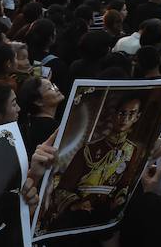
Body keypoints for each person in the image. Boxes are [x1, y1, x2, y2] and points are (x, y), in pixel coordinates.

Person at [49, 93, 147, 229]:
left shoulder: (134, 151)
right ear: (113, 115)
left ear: (137, 117)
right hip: (81, 213)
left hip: (109, 214)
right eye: (122, 113)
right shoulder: (89, 149)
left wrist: (121, 198)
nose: (125, 118)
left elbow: (126, 184)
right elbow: (63, 189)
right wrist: (76, 204)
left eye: (131, 114)